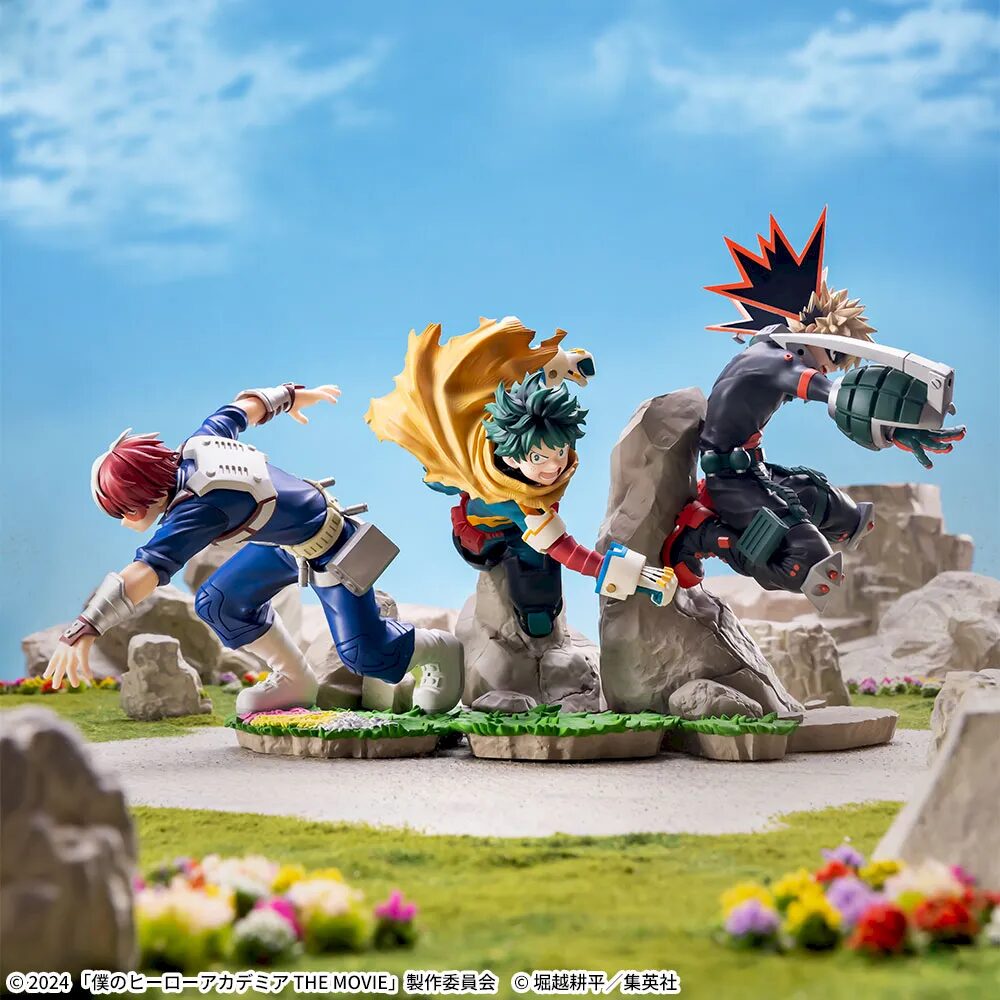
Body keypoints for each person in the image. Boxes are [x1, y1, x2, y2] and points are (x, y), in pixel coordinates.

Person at [45, 382, 464, 715]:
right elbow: (244, 408)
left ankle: (439, 648)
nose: (124, 522)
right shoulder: (197, 445)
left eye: (124, 511)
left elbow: (146, 571)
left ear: (140, 498)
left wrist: (85, 627)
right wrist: (293, 395)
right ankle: (294, 679)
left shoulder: (198, 509)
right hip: (283, 544)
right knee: (219, 602)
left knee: (366, 656)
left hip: (331, 547)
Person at [663, 210, 965, 611]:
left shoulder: (776, 356)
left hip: (753, 471)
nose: (831, 366)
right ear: (810, 330)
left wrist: (895, 428)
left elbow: (819, 384)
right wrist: (886, 421)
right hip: (730, 481)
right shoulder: (769, 360)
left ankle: (736, 518)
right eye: (834, 355)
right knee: (807, 564)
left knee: (847, 518)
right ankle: (702, 535)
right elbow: (825, 389)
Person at [366, 316, 676, 638]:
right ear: (513, 458)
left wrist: (558, 363)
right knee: (538, 569)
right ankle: (533, 610)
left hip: (501, 502)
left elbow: (519, 381)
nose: (553, 467)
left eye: (560, 452)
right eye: (539, 458)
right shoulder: (516, 500)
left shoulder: (512, 424)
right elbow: (566, 551)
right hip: (485, 537)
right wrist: (638, 577)